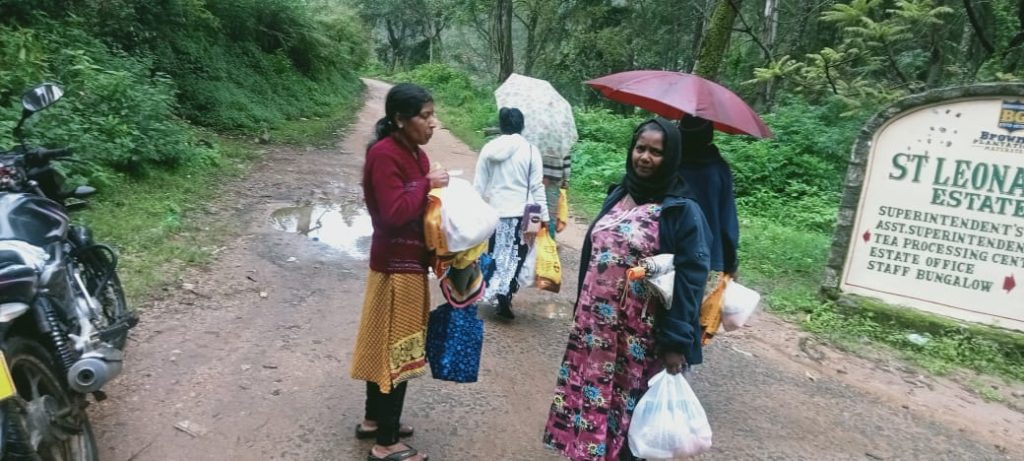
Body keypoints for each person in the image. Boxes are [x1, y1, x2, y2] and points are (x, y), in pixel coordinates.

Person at [543, 117, 711, 461]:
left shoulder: (681, 210)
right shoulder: (619, 194)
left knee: (628, 420)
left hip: (639, 339)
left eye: (656, 152)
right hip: (594, 331)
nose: (645, 157)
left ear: (671, 157)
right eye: (640, 148)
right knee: (590, 403)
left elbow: (691, 280)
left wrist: (676, 342)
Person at [350, 83, 448, 461]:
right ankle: (386, 442)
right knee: (399, 349)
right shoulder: (384, 155)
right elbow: (393, 214)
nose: (433, 123)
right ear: (400, 119)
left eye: (432, 115)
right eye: (425, 116)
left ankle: (375, 419)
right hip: (395, 269)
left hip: (408, 264)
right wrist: (427, 184)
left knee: (384, 344)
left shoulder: (416, 155)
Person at [473, 107, 548, 320]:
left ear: (501, 125)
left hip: (496, 212)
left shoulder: (489, 148)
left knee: (497, 253)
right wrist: (544, 217)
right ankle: (506, 293)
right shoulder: (531, 151)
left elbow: (479, 184)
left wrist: (474, 210)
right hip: (526, 213)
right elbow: (537, 186)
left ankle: (498, 290)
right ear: (522, 126)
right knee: (519, 255)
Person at [678, 114, 739, 340]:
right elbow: (727, 221)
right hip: (706, 256)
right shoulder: (718, 169)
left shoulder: (670, 162)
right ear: (709, 134)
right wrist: (731, 263)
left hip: (667, 249)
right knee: (693, 318)